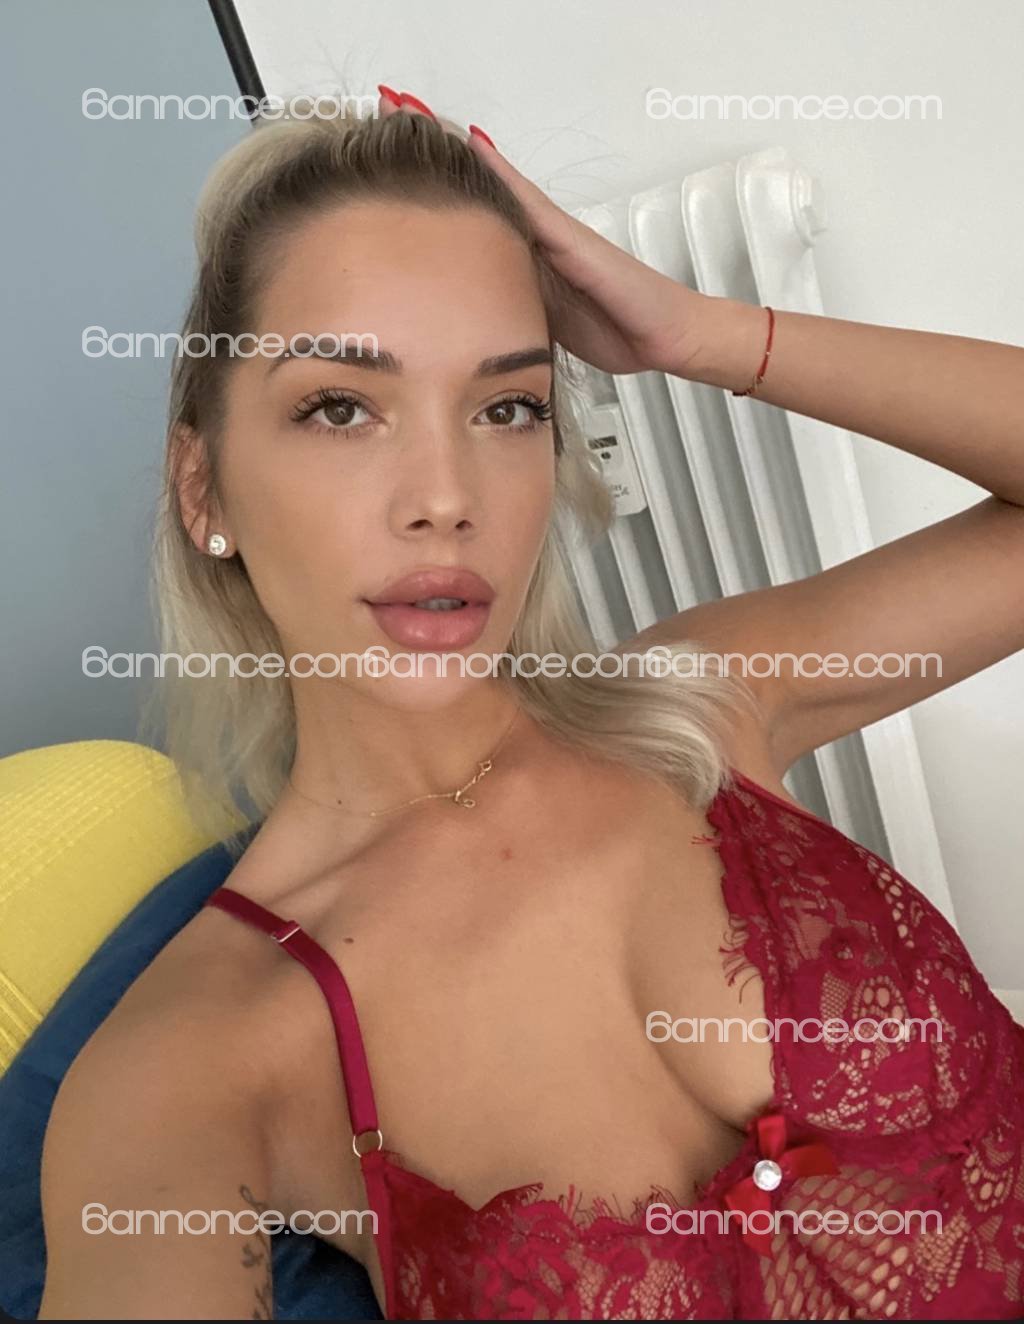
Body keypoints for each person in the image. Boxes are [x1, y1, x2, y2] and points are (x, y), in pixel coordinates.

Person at [37, 89, 1024, 1321]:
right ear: (205, 490)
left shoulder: (701, 702)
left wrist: (698, 334)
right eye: (341, 406)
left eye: (506, 406)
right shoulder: (184, 1072)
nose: (446, 495)